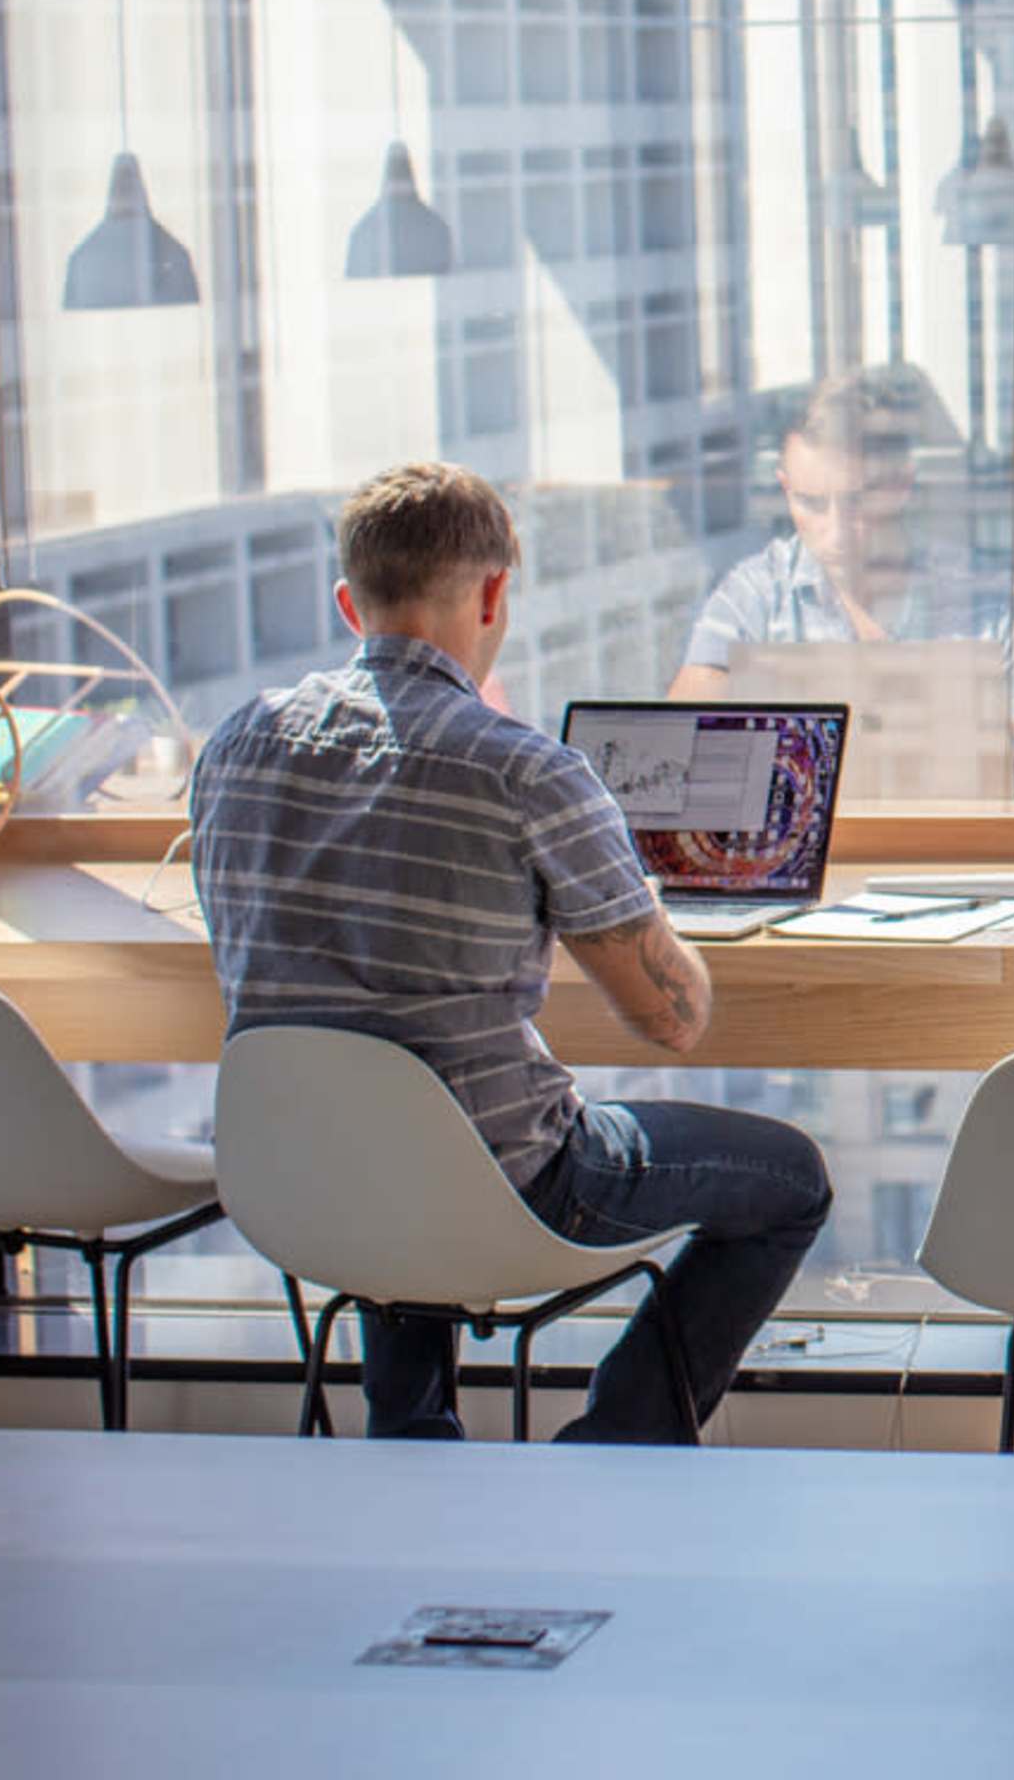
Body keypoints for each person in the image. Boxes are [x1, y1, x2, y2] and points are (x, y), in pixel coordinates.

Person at [196, 461, 831, 1443]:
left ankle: (412, 1444)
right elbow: (674, 1020)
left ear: (347, 603)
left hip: (301, 1178)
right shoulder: (523, 770)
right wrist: (634, 896)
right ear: (495, 592)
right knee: (791, 1179)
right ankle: (618, 1442)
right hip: (507, 1182)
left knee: (388, 1128)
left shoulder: (238, 741)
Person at [669, 367, 1014, 776]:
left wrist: (984, 759)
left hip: (955, 843)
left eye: (858, 501)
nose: (835, 532)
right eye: (811, 503)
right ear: (785, 488)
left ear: (903, 485)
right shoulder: (754, 596)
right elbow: (678, 744)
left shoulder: (991, 599)